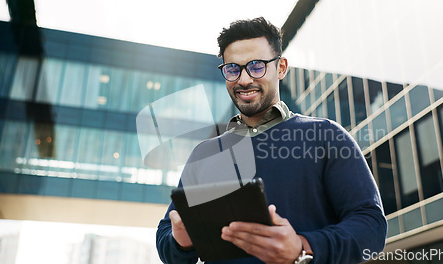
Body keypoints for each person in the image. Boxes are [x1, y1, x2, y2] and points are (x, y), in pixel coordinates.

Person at [156, 17, 387, 264]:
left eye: (256, 66)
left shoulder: (327, 136)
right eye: (233, 69)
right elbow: (166, 235)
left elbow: (371, 225)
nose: (244, 80)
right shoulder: (205, 153)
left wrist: (302, 247)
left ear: (281, 68)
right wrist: (181, 241)